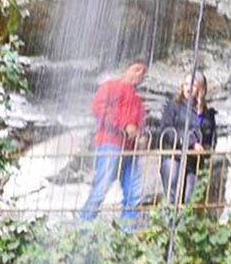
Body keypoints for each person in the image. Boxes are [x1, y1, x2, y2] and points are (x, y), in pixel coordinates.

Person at [80, 60, 148, 222]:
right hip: (110, 143)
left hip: (131, 149)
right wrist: (124, 125)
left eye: (143, 72)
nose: (140, 74)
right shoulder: (110, 86)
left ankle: (128, 230)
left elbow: (140, 125)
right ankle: (83, 224)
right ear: (126, 69)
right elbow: (98, 109)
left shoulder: (138, 101)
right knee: (102, 185)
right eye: (137, 69)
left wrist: (141, 135)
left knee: (134, 191)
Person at [158, 72, 217, 207]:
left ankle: (184, 227)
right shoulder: (173, 106)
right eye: (186, 84)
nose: (188, 88)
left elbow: (209, 137)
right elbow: (167, 131)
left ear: (202, 89)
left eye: (194, 85)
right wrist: (190, 143)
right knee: (172, 194)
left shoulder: (206, 114)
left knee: (190, 198)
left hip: (193, 161)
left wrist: (201, 110)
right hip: (174, 156)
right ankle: (169, 225)